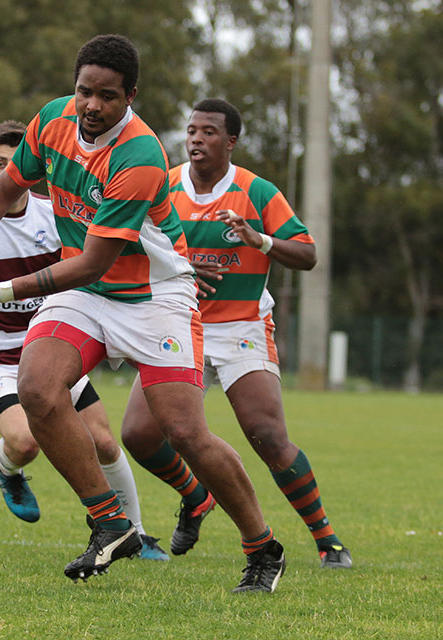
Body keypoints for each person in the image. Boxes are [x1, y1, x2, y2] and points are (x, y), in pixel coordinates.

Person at [0, 35, 285, 592]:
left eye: (107, 96)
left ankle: (263, 547)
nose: (92, 106)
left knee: (185, 433)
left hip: (156, 297)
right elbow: (3, 190)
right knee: (39, 388)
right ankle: (110, 522)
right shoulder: (50, 121)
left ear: (131, 97)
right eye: (83, 92)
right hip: (88, 294)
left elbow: (96, 261)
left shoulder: (140, 156)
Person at [119, 98, 351, 569]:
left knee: (266, 433)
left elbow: (307, 256)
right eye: (191, 131)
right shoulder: (163, 187)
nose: (196, 139)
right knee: (139, 434)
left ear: (231, 141)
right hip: (179, 322)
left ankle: (327, 540)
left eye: (208, 132)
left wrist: (258, 239)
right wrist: (182, 268)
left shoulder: (257, 191)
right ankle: (196, 495)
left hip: (242, 324)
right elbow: (130, 247)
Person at [0, 120, 167, 559]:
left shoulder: (56, 213)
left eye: (15, 164)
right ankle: (6, 467)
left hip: (52, 346)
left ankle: (137, 534)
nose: (7, 173)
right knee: (25, 442)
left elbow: (93, 261)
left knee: (106, 442)